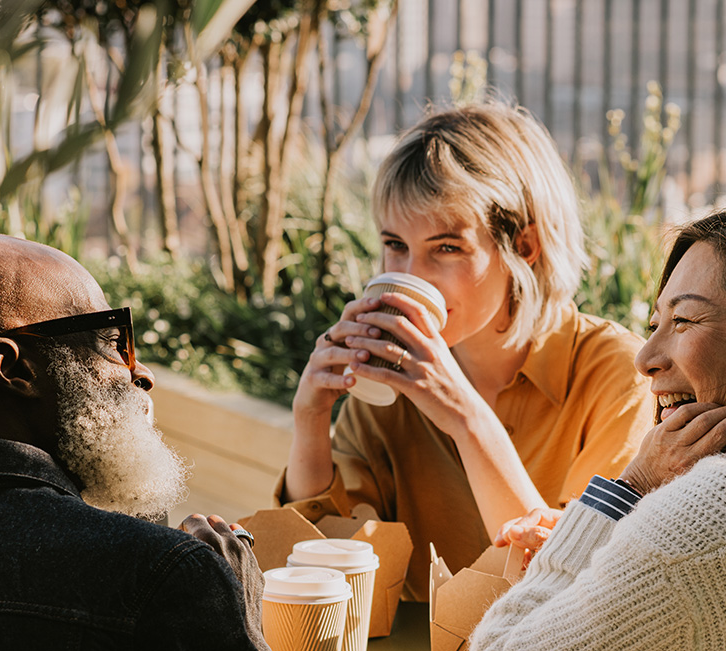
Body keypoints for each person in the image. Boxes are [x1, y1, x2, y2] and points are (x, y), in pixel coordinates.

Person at [0, 233, 328, 651]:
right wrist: (245, 637)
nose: (142, 372)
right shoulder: (162, 575)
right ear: (13, 369)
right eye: (112, 343)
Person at [275, 100, 654, 605]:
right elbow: (322, 565)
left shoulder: (619, 375)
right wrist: (310, 419)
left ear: (525, 246)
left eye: (446, 247)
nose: (410, 274)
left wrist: (465, 419)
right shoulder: (386, 385)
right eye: (395, 244)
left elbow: (576, 589)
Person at [463, 210, 726, 651]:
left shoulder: (698, 527)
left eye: (684, 321)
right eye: (655, 322)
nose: (646, 358)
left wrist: (630, 488)